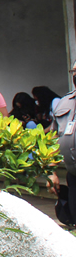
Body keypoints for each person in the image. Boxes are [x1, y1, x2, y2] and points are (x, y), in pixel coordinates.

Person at [47, 60, 75, 227]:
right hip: (73, 176)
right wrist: (52, 172)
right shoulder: (64, 103)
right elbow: (51, 140)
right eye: (74, 71)